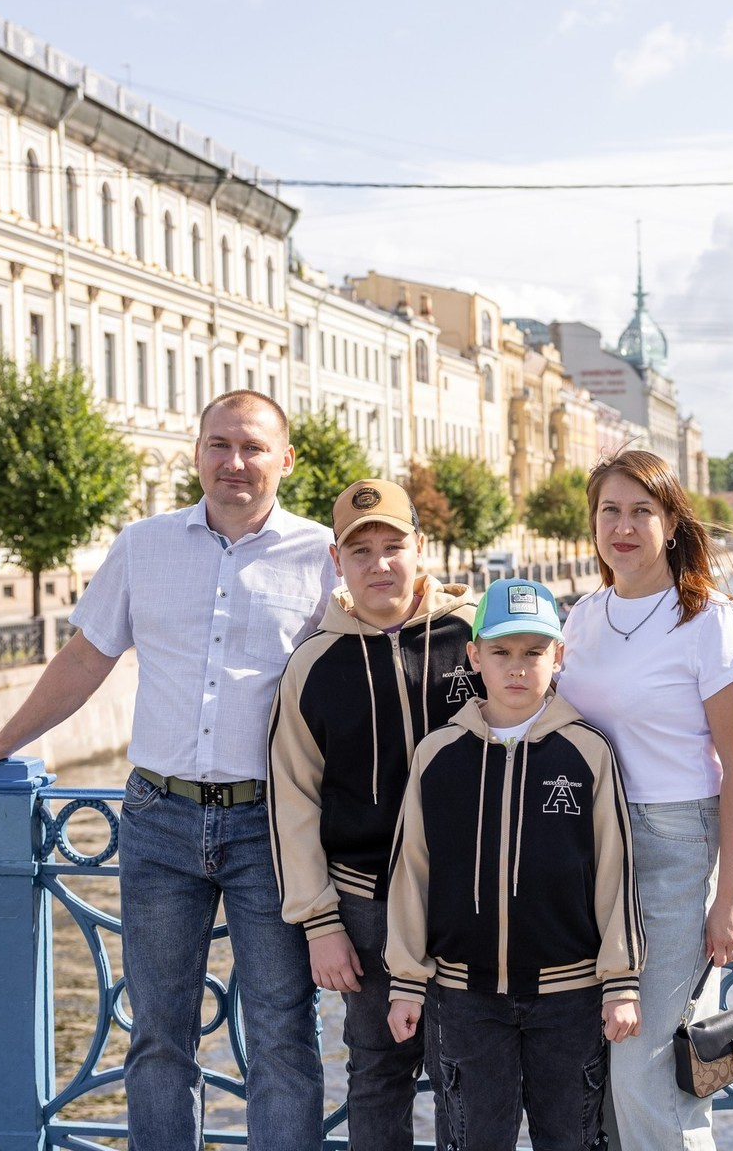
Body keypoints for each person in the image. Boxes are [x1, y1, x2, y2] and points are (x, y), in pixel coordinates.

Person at [0, 390, 338, 1151]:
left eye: (253, 447)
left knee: (283, 1035)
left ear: (286, 460)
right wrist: (0, 743)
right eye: (219, 444)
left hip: (274, 826)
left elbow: (370, 660)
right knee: (157, 1034)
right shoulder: (143, 545)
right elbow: (87, 657)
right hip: (160, 818)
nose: (234, 462)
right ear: (197, 453)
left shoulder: (322, 555)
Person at [386, 577, 645, 1151]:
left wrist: (620, 981)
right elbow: (412, 873)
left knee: (571, 1139)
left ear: (559, 655)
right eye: (501, 652)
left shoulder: (588, 751)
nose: (518, 668)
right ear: (474, 656)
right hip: (465, 997)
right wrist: (406, 981)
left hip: (570, 996)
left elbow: (615, 870)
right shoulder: (437, 754)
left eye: (533, 652)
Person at [556, 450, 733, 1151]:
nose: (623, 527)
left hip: (674, 849)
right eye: (609, 511)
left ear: (672, 524)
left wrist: (731, 898)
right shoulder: (583, 617)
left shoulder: (709, 620)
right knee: (600, 1070)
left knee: (648, 1076)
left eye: (641, 511)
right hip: (587, 850)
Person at [267, 477, 479, 1150]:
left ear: (421, 548)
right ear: (337, 561)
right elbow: (293, 800)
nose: (379, 564)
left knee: (470, 1073)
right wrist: (319, 922)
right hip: (365, 907)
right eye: (361, 551)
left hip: (469, 901)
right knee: (378, 1072)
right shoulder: (313, 664)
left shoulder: (475, 634)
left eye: (394, 546)